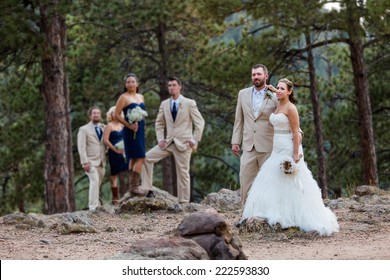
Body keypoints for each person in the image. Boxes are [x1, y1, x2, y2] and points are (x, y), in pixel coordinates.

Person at [241, 78, 339, 236]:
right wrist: (273, 89)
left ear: (289, 91)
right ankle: (270, 210)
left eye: (282, 89)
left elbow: (295, 131)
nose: (279, 90)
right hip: (276, 147)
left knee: (290, 180)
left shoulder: (291, 108)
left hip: (288, 146)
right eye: (278, 88)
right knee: (272, 179)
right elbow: (277, 94)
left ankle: (296, 216)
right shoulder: (278, 103)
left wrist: (295, 154)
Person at [141, 76, 205, 203]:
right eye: (169, 85)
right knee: (146, 158)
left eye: (174, 85)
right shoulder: (164, 104)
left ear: (179, 86)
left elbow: (200, 122)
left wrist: (194, 139)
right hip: (168, 142)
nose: (171, 87)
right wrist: (160, 139)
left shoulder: (189, 103)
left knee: (183, 174)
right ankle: (148, 189)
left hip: (184, 143)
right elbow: (159, 123)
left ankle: (184, 202)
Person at [231, 64, 278, 207]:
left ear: (266, 76)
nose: (256, 77)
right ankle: (246, 213)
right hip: (248, 145)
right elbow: (239, 119)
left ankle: (268, 213)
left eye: (259, 74)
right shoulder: (242, 94)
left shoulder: (275, 95)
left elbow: (286, 111)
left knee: (269, 181)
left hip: (268, 145)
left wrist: (277, 94)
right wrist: (235, 141)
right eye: (253, 75)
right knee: (245, 180)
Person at [114, 73, 148, 197]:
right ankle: (134, 186)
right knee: (141, 157)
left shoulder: (141, 97)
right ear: (125, 84)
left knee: (134, 158)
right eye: (128, 82)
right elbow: (116, 115)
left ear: (137, 84)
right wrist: (129, 125)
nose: (130, 84)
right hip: (129, 131)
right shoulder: (123, 97)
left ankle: (131, 187)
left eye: (133, 81)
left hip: (140, 130)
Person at [77, 106, 106, 211]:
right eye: (94, 113)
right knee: (94, 181)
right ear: (90, 115)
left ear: (100, 115)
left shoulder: (104, 127)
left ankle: (97, 204)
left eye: (98, 113)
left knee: (97, 184)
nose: (96, 115)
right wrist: (85, 162)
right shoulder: (84, 129)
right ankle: (93, 207)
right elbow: (81, 147)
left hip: (102, 161)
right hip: (90, 161)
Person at [103, 106, 128, 205]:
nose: (115, 114)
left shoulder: (123, 125)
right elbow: (105, 140)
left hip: (125, 152)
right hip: (114, 152)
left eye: (116, 112)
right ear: (111, 114)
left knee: (130, 169)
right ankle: (116, 197)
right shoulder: (109, 125)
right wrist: (115, 149)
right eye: (113, 113)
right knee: (114, 174)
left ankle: (130, 193)